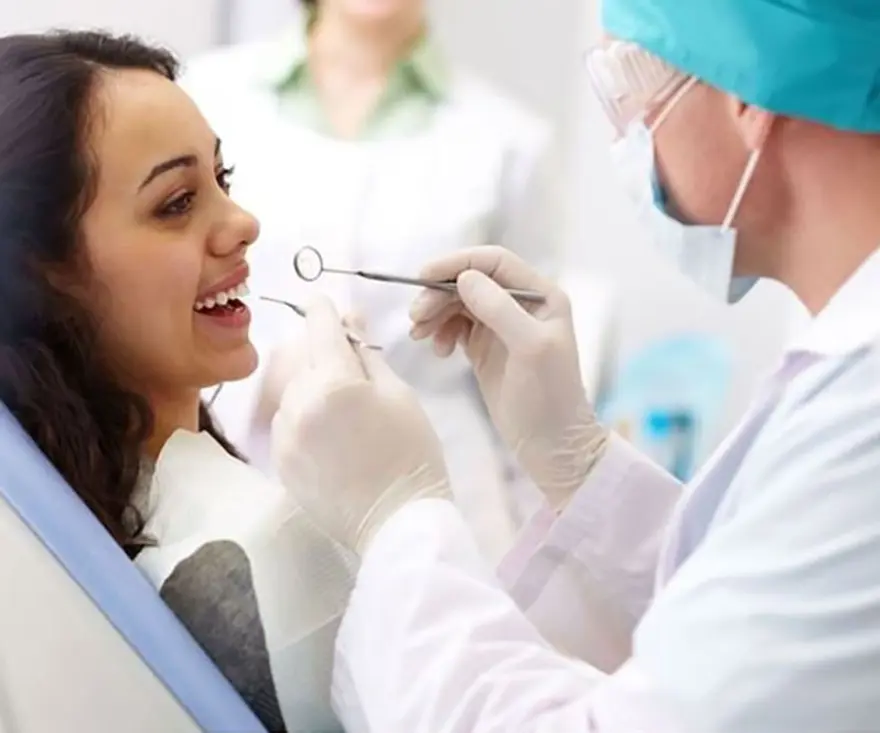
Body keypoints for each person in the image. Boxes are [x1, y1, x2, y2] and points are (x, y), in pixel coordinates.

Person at [269, 0, 880, 730]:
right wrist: (581, 463)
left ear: (748, 93)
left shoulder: (862, 418)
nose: (627, 132)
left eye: (627, 81)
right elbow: (736, 629)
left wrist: (396, 518)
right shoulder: (846, 386)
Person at [0, 30, 353, 732]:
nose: (243, 223)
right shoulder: (260, 545)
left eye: (224, 179)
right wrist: (411, 514)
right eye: (176, 202)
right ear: (45, 272)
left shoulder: (69, 526)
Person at [180, 0, 561, 561]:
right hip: (245, 466)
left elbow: (525, 372)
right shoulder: (206, 96)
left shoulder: (509, 141)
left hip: (447, 497)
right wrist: (260, 383)